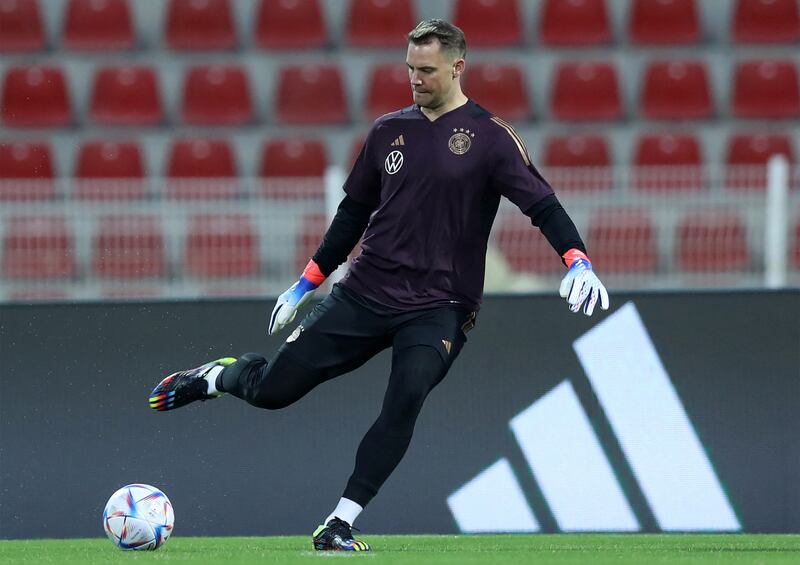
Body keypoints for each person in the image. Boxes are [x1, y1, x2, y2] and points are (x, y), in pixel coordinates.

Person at [148, 19, 609, 552]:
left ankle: (340, 522)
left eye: (427, 70)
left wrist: (576, 260)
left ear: (458, 67)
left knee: (406, 396)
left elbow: (542, 204)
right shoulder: (388, 131)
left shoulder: (490, 137)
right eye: (410, 68)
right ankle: (218, 376)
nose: (415, 78)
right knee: (273, 392)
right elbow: (352, 215)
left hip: (441, 305)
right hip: (365, 292)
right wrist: (305, 284)